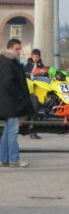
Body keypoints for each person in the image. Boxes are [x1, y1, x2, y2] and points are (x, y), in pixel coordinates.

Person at [0, 39, 32, 168]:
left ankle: (3, 159)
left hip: (7, 103)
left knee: (8, 132)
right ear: (10, 49)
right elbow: (8, 83)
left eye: (20, 49)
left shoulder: (7, 62)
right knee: (13, 131)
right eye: (17, 49)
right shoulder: (8, 63)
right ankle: (14, 159)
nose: (19, 51)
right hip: (11, 103)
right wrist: (19, 96)